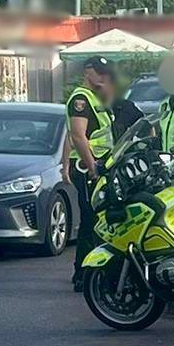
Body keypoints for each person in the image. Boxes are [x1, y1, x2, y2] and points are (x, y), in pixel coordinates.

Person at [63, 56, 117, 291]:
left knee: (98, 219)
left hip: (99, 164)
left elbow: (70, 136)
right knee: (91, 221)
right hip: (88, 168)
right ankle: (84, 276)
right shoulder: (81, 99)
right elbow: (77, 135)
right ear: (87, 72)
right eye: (100, 72)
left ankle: (92, 272)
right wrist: (92, 167)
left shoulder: (98, 98)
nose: (104, 77)